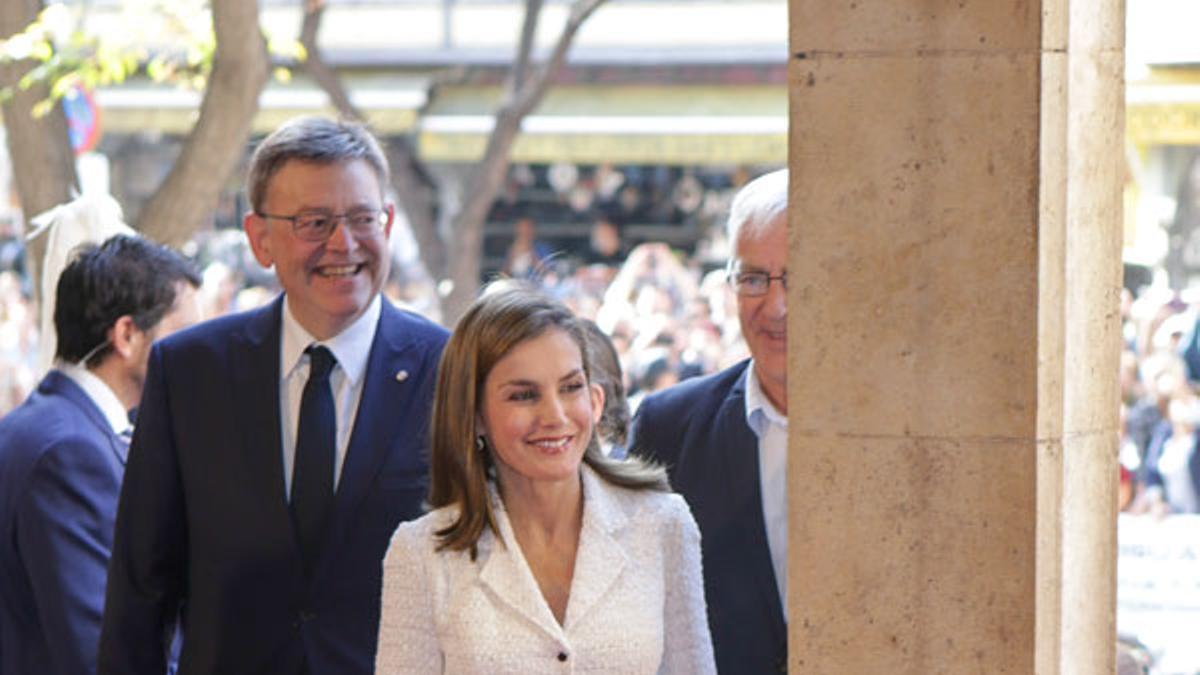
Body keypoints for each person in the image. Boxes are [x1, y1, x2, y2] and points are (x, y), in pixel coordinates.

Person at [99, 117, 449, 674]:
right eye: (315, 222)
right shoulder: (190, 372)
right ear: (260, 238)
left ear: (387, 222)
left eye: (363, 219)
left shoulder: (451, 371)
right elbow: (141, 589)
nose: (344, 243)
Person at [375, 285, 715, 674]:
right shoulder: (421, 553)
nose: (554, 415)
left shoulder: (663, 525)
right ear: (474, 414)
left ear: (596, 399)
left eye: (571, 388)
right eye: (523, 396)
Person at [0, 234, 200, 675]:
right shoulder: (69, 453)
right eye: (187, 337)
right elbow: (104, 652)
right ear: (127, 335)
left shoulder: (54, 426)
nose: (200, 358)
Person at [628, 168, 789, 674]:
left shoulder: (898, 434)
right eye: (754, 279)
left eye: (799, 277)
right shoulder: (668, 429)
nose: (776, 306)